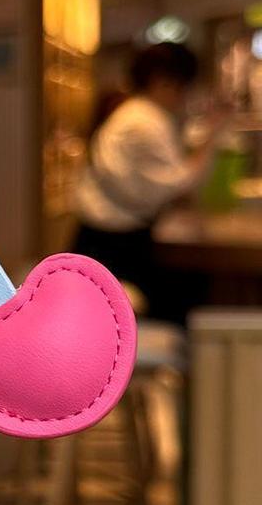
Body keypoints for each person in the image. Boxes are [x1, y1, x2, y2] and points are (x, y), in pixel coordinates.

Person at [73, 42, 227, 320]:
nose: (184, 96)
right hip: (116, 244)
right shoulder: (145, 122)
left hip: (103, 238)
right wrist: (213, 135)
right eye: (183, 87)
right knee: (181, 303)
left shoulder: (135, 114)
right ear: (163, 81)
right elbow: (179, 183)